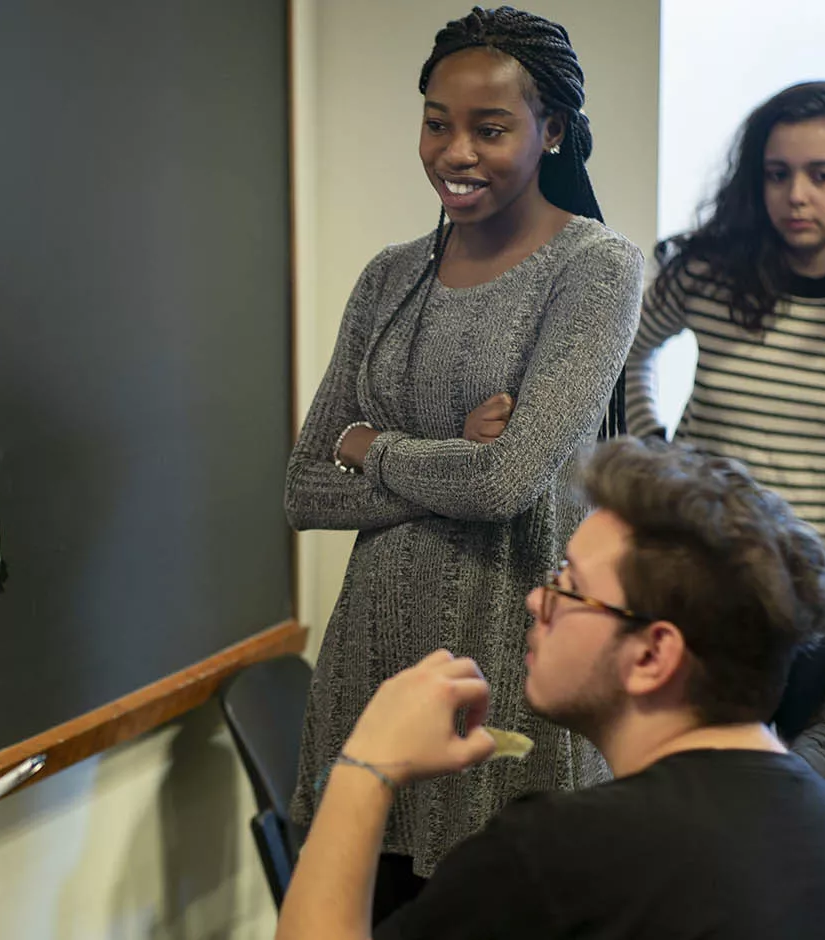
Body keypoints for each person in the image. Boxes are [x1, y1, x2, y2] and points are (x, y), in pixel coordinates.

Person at [283, 5, 642, 912]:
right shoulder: (387, 276)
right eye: (437, 122)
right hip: (371, 664)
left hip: (511, 669)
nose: (455, 152)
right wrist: (448, 454)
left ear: (552, 130)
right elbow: (303, 486)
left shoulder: (594, 271)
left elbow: (507, 483)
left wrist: (375, 447)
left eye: (490, 128)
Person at [276, 438, 825, 940]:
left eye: (568, 584)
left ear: (652, 653)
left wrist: (367, 765)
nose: (536, 599)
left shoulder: (561, 856)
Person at [625, 81, 825, 737]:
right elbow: (632, 351)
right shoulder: (706, 274)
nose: (796, 195)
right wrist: (654, 449)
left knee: (800, 766)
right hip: (709, 564)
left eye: (821, 174)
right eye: (778, 175)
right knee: (691, 752)